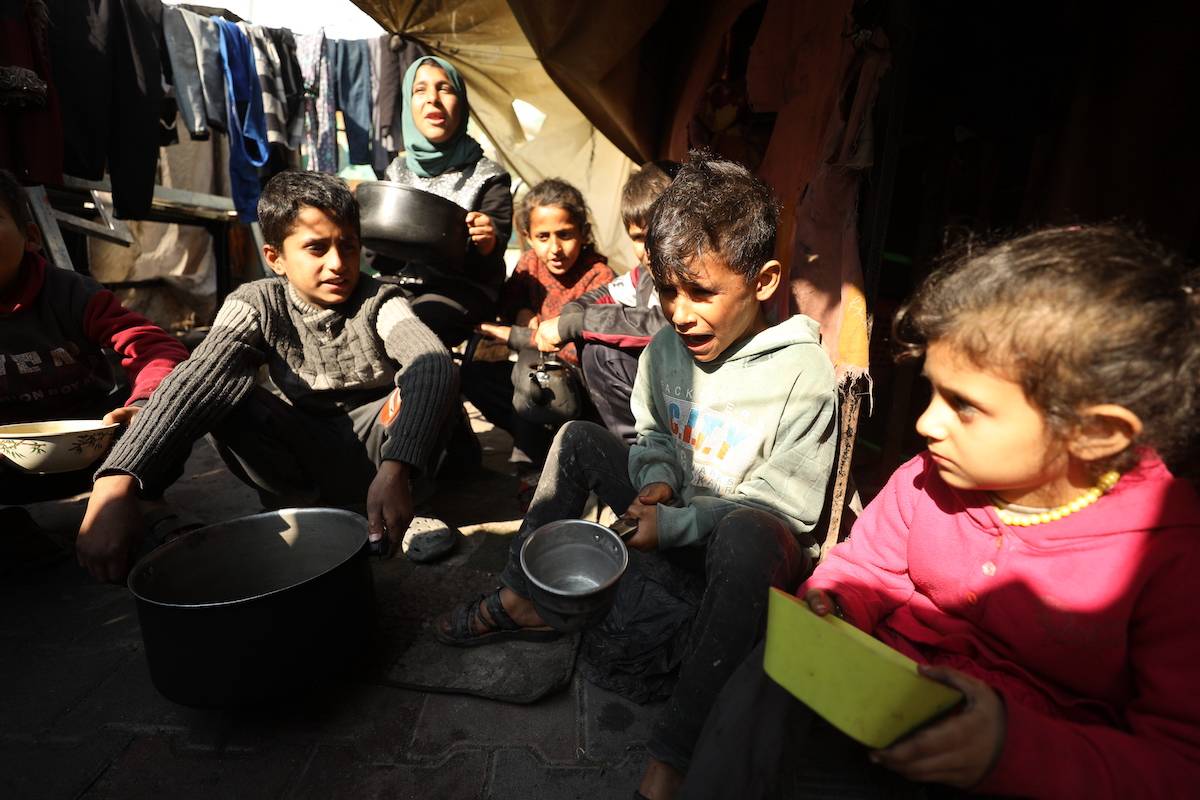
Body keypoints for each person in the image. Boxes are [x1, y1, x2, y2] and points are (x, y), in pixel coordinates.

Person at [681, 226, 1200, 800]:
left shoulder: (1170, 560)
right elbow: (865, 568)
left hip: (1024, 771)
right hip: (877, 704)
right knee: (767, 676)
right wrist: (837, 602)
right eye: (934, 393)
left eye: (965, 406)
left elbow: (1178, 762)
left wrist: (1012, 748)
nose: (927, 424)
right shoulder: (927, 479)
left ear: (1095, 434)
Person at [435, 154, 838, 800]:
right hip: (674, 517)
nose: (678, 313)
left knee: (746, 538)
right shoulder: (668, 349)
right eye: (669, 291)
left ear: (764, 282)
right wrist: (654, 477)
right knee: (577, 440)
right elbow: (650, 433)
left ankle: (672, 761)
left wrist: (676, 522)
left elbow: (785, 511)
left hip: (740, 555)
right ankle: (525, 597)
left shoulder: (802, 374)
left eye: (701, 293)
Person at [76, 171, 458, 583]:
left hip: (378, 454)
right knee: (221, 390)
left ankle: (404, 502)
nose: (338, 263)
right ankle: (299, 510)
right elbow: (196, 378)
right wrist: (115, 483)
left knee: (428, 378)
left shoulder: (380, 300)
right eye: (316, 248)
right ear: (274, 257)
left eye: (348, 246)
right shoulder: (256, 302)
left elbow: (432, 361)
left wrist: (398, 468)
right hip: (303, 450)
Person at [0, 168, 189, 540]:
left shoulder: (70, 294)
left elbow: (154, 347)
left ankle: (143, 500)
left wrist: (144, 405)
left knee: (176, 400)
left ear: (31, 237)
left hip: (101, 451)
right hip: (9, 467)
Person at [463, 177, 614, 466]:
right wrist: (519, 312)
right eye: (543, 237)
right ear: (529, 237)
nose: (554, 248)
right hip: (533, 380)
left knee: (532, 377)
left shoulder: (599, 276)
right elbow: (509, 303)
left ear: (583, 233)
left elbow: (580, 348)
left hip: (578, 384)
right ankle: (540, 447)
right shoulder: (530, 264)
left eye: (565, 234)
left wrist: (517, 335)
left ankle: (537, 456)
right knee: (476, 374)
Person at [532, 161, 676, 443]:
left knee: (602, 354)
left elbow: (663, 323)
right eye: (638, 238)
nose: (648, 250)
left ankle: (637, 450)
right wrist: (570, 316)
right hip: (660, 390)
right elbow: (597, 298)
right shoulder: (642, 276)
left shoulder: (690, 281)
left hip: (686, 394)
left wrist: (574, 324)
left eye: (658, 236)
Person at [379, 55, 513, 348]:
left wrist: (487, 242)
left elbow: (490, 259)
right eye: (420, 90)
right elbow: (380, 258)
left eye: (445, 88)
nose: (433, 100)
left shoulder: (488, 176)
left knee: (417, 322)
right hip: (401, 285)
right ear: (407, 103)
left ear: (461, 102)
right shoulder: (395, 173)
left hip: (464, 290)